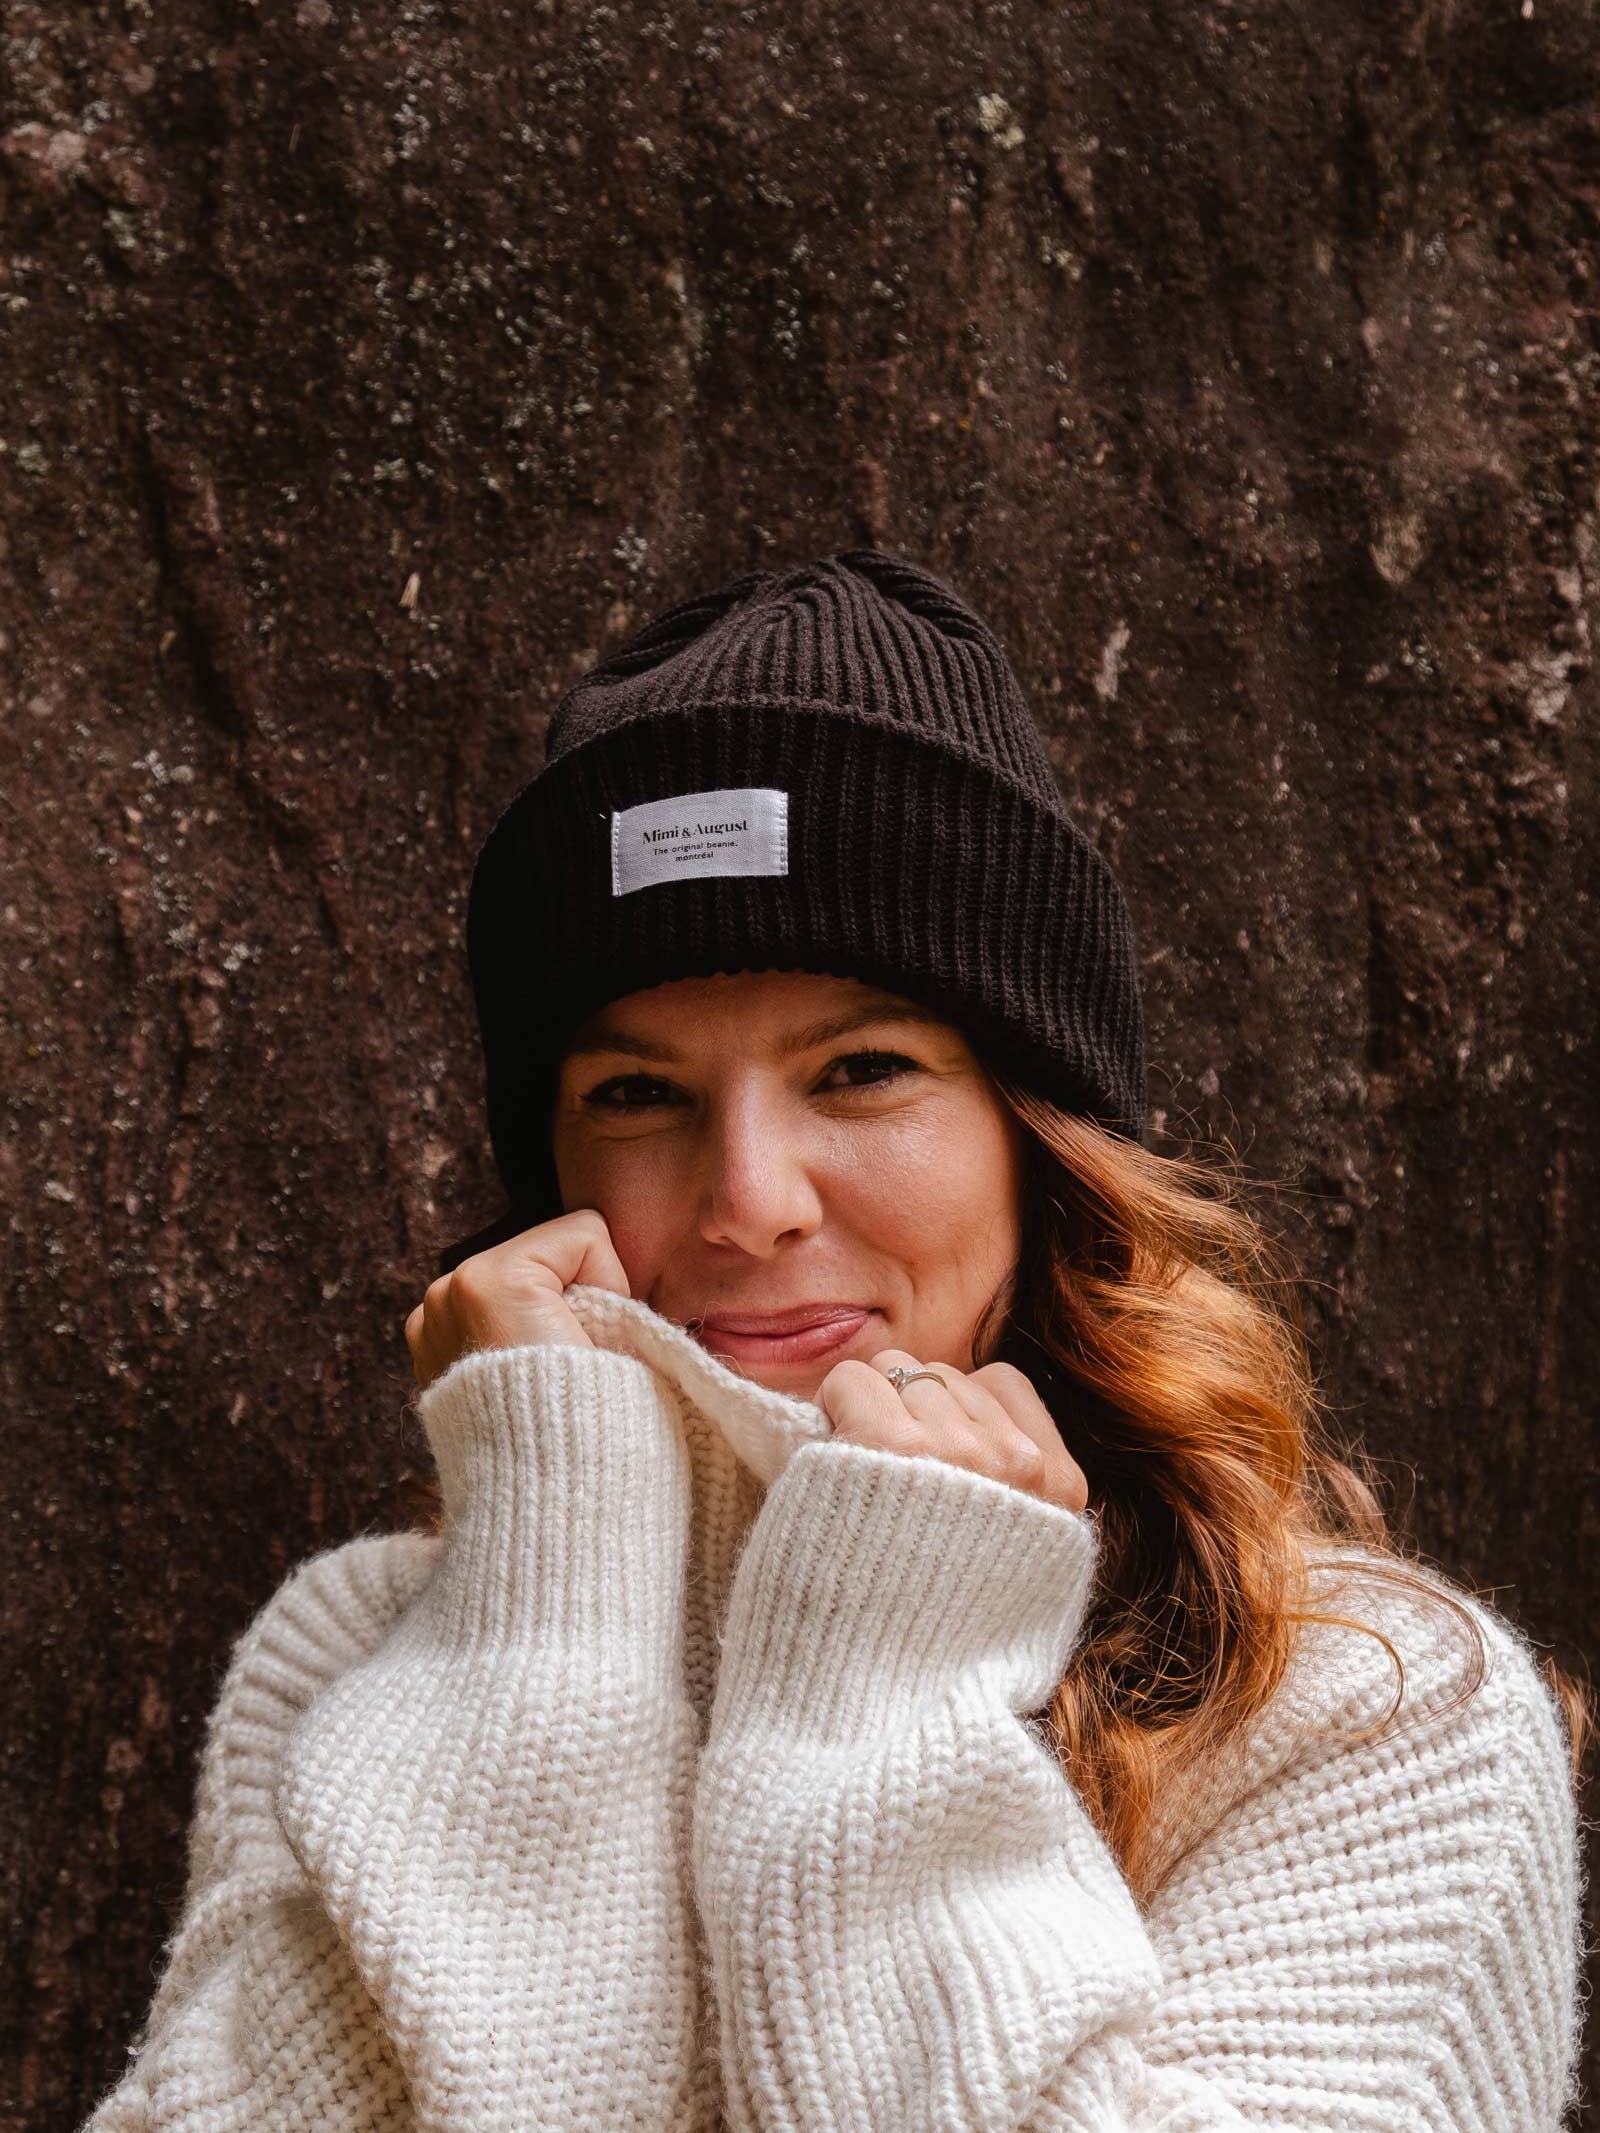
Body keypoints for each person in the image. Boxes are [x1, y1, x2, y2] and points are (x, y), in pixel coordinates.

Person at [84, 550, 1590, 2132]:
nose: (746, 1198)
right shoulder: (362, 1654)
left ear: (1039, 1133)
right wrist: (536, 1641)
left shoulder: (1356, 1703)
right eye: (638, 1092)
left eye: (861, 1068)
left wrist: (885, 1705)